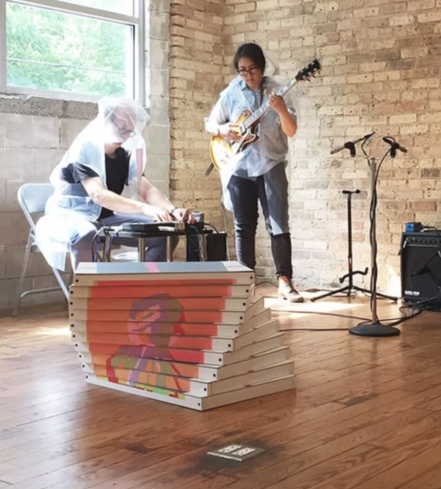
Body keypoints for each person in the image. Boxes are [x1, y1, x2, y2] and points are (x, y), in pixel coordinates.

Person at [37, 98, 196, 270]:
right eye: (121, 128)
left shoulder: (124, 155)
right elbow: (98, 194)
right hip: (70, 216)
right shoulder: (85, 149)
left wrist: (172, 210)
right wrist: (144, 208)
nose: (125, 135)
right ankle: (88, 293)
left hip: (105, 218)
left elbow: (146, 188)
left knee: (166, 234)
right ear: (105, 121)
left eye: (130, 131)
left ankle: (143, 287)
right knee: (86, 235)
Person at [205, 42, 302, 303]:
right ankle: (246, 282)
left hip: (271, 163)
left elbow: (290, 131)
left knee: (278, 223)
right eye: (242, 71)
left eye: (253, 70)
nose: (248, 76)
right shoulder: (231, 92)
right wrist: (223, 130)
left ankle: (284, 281)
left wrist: (281, 110)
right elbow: (210, 124)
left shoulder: (277, 91)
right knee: (243, 227)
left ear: (263, 67)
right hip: (238, 166)